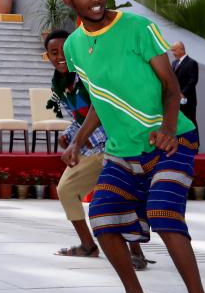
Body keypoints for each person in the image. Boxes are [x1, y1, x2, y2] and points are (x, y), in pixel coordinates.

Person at [56, 0, 205, 293]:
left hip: (171, 140)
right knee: (102, 217)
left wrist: (169, 129)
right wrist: (78, 141)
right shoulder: (74, 46)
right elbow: (100, 100)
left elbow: (171, 88)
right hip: (122, 149)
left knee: (164, 212)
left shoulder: (137, 27)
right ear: (69, 0)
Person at [44, 30, 153, 270]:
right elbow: (80, 118)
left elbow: (106, 111)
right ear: (47, 56)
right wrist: (69, 136)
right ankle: (88, 245)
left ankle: (136, 252)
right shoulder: (59, 83)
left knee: (119, 195)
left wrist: (79, 142)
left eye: (64, 51)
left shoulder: (90, 74)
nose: (60, 57)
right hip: (90, 147)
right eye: (54, 53)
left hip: (118, 144)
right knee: (66, 190)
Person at [171, 41, 199, 126]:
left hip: (188, 101)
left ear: (181, 49)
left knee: (190, 123)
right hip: (175, 100)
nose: (173, 53)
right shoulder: (174, 63)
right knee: (179, 124)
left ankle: (194, 136)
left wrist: (183, 93)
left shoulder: (192, 63)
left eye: (174, 50)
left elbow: (193, 80)